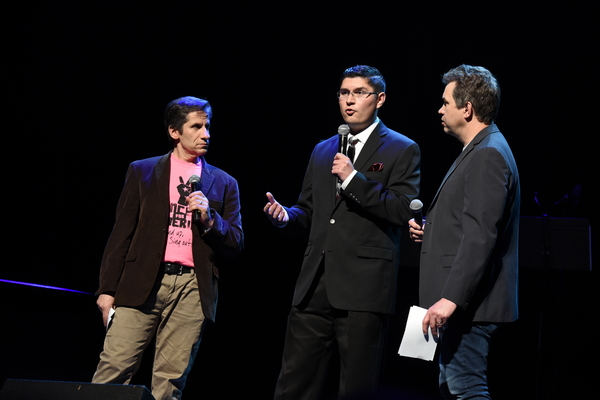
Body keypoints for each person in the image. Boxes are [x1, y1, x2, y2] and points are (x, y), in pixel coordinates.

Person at [264, 65, 421, 399]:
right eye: (344, 93)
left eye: (359, 93)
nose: (349, 101)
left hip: (363, 288)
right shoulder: (322, 149)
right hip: (314, 285)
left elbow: (403, 209)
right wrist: (286, 218)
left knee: (356, 388)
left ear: (379, 99)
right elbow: (307, 211)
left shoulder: (402, 148)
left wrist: (353, 180)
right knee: (293, 384)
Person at [92, 96, 244, 400]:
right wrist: (106, 290)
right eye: (197, 127)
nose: (206, 134)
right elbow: (122, 232)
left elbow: (236, 241)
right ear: (175, 132)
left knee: (170, 382)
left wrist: (210, 219)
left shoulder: (224, 183)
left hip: (192, 287)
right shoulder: (143, 171)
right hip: (141, 283)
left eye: (208, 126)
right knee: (114, 369)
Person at [408, 65, 520, 399]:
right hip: (463, 302)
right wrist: (436, 232)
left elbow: (481, 236)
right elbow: (470, 224)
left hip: (469, 305)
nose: (440, 109)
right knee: (452, 387)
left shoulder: (487, 154)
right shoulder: (481, 149)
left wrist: (451, 298)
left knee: (465, 387)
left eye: (445, 102)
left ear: (467, 108)